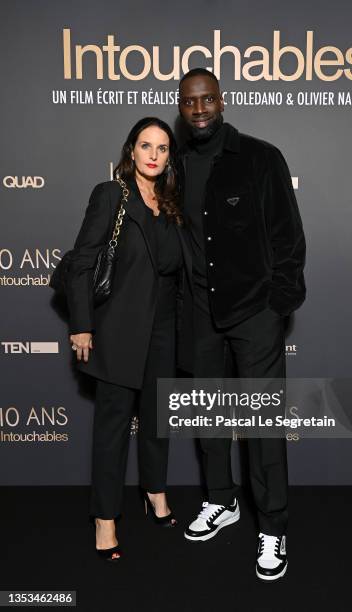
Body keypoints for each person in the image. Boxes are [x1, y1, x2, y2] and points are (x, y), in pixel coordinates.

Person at [177, 68, 306, 581]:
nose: (200, 109)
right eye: (190, 102)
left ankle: (272, 527)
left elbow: (288, 238)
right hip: (200, 313)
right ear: (180, 107)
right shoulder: (176, 164)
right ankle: (221, 501)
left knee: (262, 424)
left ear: (222, 101)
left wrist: (277, 305)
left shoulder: (260, 157)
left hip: (254, 312)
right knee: (208, 415)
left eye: (208, 99)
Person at [66, 117, 191, 561]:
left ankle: (155, 492)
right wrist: (82, 325)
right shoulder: (112, 195)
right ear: (131, 151)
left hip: (164, 330)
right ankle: (105, 518)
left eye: (162, 148)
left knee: (158, 420)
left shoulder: (174, 204)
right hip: (118, 329)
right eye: (145, 145)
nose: (154, 154)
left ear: (169, 156)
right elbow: (82, 261)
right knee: (113, 429)